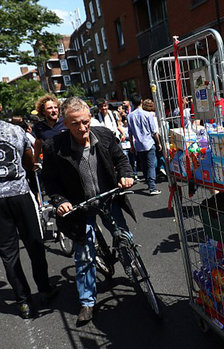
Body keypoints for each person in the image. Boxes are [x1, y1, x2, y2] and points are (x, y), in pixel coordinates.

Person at [41, 97, 135, 325]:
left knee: (124, 236)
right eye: (75, 123)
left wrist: (126, 174)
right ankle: (87, 301)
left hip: (107, 196)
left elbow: (121, 159)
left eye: (85, 121)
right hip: (79, 206)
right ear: (65, 122)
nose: (82, 128)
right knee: (84, 256)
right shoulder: (53, 147)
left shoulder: (103, 135)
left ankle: (131, 265)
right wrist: (60, 200)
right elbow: (50, 182)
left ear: (90, 118)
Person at [0, 120, 57, 319]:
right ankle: (44, 289)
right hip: (19, 193)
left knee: (8, 253)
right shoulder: (14, 130)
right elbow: (28, 161)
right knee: (34, 243)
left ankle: (23, 301)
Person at [127, 95, 162, 195]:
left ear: (132, 103)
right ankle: (152, 187)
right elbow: (154, 131)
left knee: (143, 165)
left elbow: (130, 133)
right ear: (141, 101)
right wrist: (158, 143)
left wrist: (132, 145)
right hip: (149, 142)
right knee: (151, 165)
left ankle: (148, 182)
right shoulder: (147, 114)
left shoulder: (130, 116)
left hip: (138, 144)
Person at [32, 94, 66, 161]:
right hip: (50, 164)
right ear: (43, 111)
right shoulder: (39, 127)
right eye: (50, 108)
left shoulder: (66, 122)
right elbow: (38, 143)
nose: (54, 110)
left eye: (56, 107)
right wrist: (35, 159)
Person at [142, 98, 167, 178]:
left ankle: (155, 172)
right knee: (161, 153)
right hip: (157, 134)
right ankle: (162, 167)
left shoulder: (143, 114)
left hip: (148, 137)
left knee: (153, 155)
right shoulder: (155, 114)